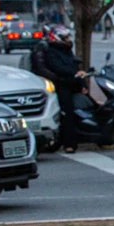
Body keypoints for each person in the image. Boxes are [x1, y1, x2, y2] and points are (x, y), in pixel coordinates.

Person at [30, 25, 86, 154]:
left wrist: (82, 83)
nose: (68, 39)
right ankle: (69, 143)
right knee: (67, 113)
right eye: (65, 37)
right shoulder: (50, 51)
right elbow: (58, 68)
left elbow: (73, 65)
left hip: (71, 82)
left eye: (68, 37)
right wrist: (73, 74)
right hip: (61, 85)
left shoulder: (66, 50)